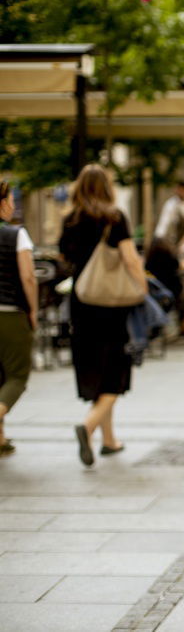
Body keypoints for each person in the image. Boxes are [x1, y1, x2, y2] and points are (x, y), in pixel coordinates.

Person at [58, 164, 148, 466]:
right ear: (106, 187)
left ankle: (109, 440)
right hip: (112, 305)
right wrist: (144, 286)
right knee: (116, 370)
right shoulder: (114, 217)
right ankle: (89, 426)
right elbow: (130, 258)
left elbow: (64, 258)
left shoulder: (70, 220)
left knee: (95, 365)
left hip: (82, 303)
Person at [0, 180, 38, 457]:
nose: (13, 205)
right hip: (10, 313)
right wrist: (33, 310)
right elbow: (28, 276)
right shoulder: (16, 235)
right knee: (16, 376)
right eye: (11, 199)